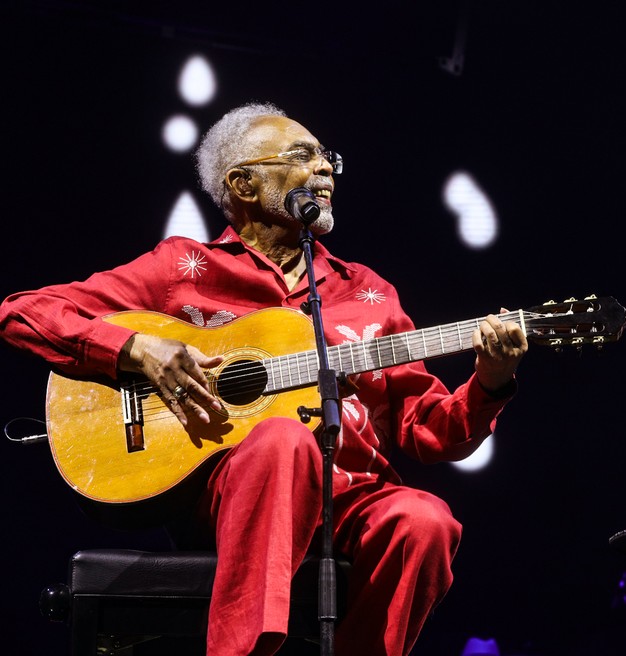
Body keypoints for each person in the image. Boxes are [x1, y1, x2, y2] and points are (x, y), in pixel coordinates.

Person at [0, 102, 528, 655]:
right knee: (283, 440)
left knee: (426, 521)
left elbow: (432, 431)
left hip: (350, 497)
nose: (324, 168)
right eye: (303, 156)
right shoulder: (183, 269)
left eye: (327, 158)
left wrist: (490, 381)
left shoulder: (367, 292)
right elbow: (22, 312)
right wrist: (135, 349)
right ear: (243, 184)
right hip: (232, 494)